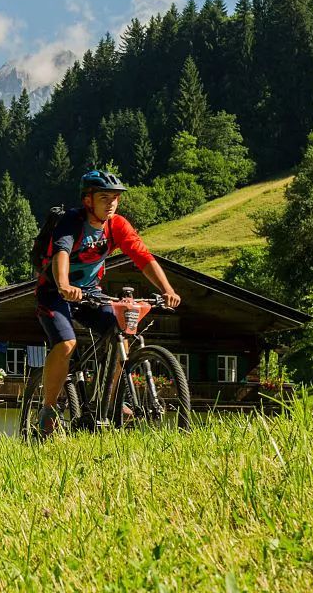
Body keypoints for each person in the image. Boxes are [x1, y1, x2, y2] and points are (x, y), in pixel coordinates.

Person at [34, 170, 181, 434]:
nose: (111, 203)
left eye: (115, 198)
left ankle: (111, 402)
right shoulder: (72, 221)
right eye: (104, 197)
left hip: (90, 292)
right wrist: (64, 285)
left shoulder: (117, 226)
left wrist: (168, 290)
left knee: (121, 332)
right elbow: (61, 253)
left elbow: (143, 258)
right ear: (88, 200)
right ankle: (48, 409)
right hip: (54, 292)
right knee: (66, 344)